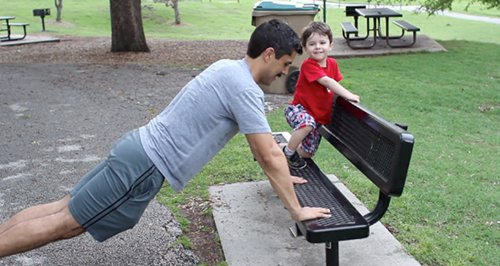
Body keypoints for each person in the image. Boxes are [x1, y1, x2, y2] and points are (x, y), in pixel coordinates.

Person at [0, 19, 332, 258]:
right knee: (68, 223)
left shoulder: (226, 68)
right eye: (286, 64)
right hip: (144, 165)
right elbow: (268, 155)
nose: (284, 74)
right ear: (269, 54)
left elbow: (267, 149)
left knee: (63, 209)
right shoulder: (245, 88)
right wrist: (296, 211)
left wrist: (284, 176)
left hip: (137, 149)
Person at [282, 21, 360, 169]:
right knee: (307, 124)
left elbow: (333, 89)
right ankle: (288, 152)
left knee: (307, 153)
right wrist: (349, 95)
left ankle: (283, 153)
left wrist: (342, 99)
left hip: (318, 118)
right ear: (305, 48)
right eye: (312, 44)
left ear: (330, 45)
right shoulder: (308, 65)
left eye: (322, 42)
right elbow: (326, 81)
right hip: (300, 110)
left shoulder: (332, 64)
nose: (317, 47)